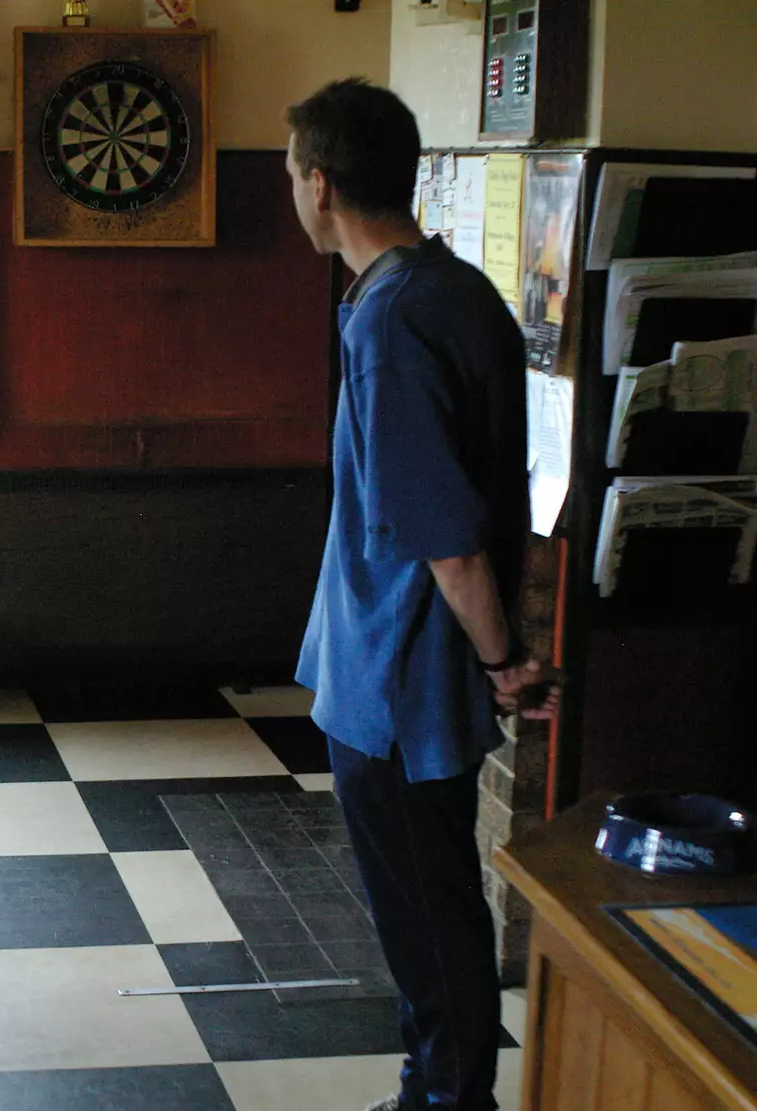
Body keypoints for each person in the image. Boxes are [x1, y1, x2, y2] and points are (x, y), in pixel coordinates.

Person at [284, 78, 558, 1111]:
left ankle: (449, 1099)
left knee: (428, 909)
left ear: (320, 184)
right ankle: (431, 1087)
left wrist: (501, 663)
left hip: (397, 675)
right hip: (397, 663)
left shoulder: (389, 318)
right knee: (429, 895)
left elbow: (445, 539)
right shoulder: (452, 288)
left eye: (289, 177)